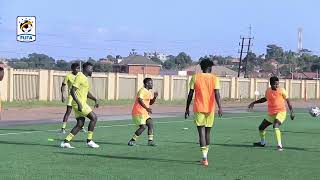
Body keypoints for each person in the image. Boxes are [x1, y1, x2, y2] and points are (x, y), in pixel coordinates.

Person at [185, 58, 222, 167]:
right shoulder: (214, 78)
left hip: (199, 108)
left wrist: (187, 108)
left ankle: (204, 158)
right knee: (207, 133)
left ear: (201, 67)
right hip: (210, 109)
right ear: (209, 67)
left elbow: (190, 94)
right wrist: (220, 107)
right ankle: (205, 157)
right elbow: (217, 94)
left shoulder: (195, 77)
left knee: (201, 132)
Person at [248, 76, 294, 151]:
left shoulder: (282, 90)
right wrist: (254, 102)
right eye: (275, 84)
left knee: (275, 125)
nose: (277, 86)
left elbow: (288, 101)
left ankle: (279, 145)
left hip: (281, 112)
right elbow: (264, 99)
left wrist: (291, 112)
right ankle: (262, 143)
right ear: (271, 84)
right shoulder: (268, 91)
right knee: (261, 127)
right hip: (271, 114)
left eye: (277, 84)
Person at [60, 62, 99, 148]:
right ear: (86, 69)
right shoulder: (81, 77)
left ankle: (65, 142)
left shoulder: (84, 78)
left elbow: (86, 93)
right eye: (91, 69)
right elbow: (72, 91)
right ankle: (89, 141)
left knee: (80, 124)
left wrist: (95, 99)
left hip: (79, 103)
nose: (92, 70)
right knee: (94, 118)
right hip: (79, 103)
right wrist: (79, 103)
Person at [128, 78, 158, 146]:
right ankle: (132, 141)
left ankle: (150, 141)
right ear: (147, 84)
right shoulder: (142, 91)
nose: (152, 84)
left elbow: (150, 103)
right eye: (151, 83)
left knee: (150, 123)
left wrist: (154, 98)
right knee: (143, 127)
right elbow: (140, 100)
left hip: (145, 113)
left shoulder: (149, 92)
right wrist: (146, 108)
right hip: (138, 112)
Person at [60, 63, 86, 134]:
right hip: (71, 97)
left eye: (79, 68)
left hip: (79, 97)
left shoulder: (80, 75)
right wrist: (62, 95)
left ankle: (81, 127)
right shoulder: (68, 76)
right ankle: (63, 128)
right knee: (68, 112)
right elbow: (63, 86)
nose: (78, 70)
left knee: (80, 112)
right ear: (72, 69)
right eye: (76, 68)